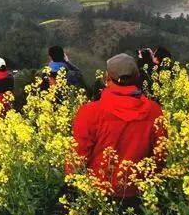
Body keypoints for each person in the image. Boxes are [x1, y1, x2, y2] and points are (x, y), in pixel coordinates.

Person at [68, 53, 167, 202]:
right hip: (140, 196)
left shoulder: (89, 112)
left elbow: (77, 159)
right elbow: (161, 156)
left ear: (107, 77)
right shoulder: (154, 111)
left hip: (97, 195)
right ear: (138, 77)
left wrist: (73, 189)